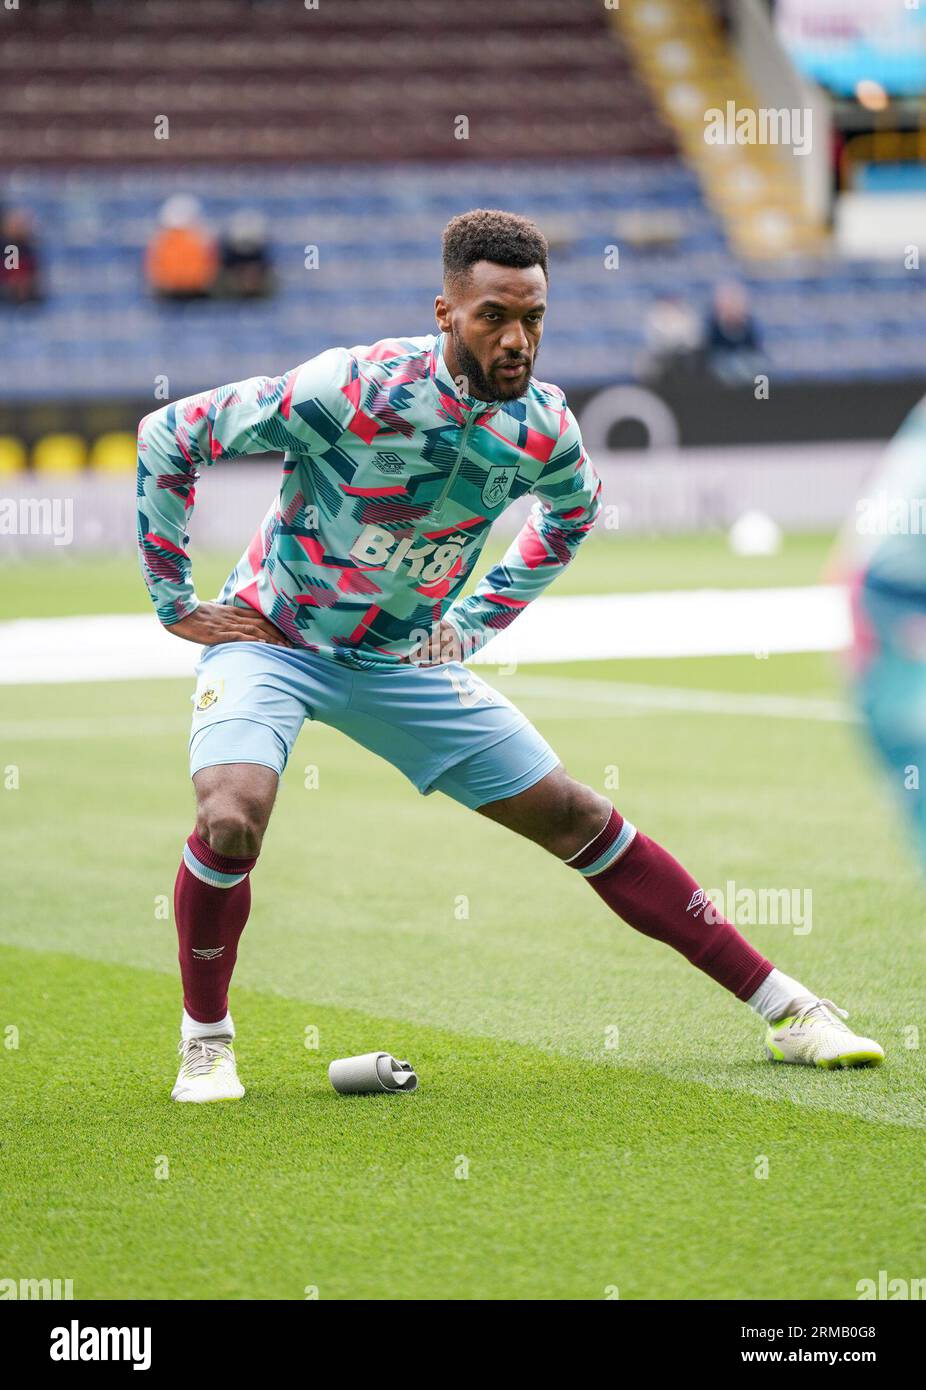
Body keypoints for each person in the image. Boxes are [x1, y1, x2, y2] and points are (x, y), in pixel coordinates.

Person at [136, 209, 883, 1102]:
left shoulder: (542, 427)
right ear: (446, 311)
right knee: (232, 815)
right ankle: (207, 1042)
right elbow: (170, 436)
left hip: (405, 662)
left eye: (533, 316)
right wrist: (177, 602)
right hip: (276, 641)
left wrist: (477, 621)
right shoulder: (352, 388)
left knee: (575, 815)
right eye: (494, 315)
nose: (518, 338)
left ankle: (790, 1009)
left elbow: (569, 517)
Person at [145, 194, 218, 301]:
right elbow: (154, 272)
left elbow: (208, 271)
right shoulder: (163, 242)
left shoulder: (201, 241)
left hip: (197, 294)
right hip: (169, 296)